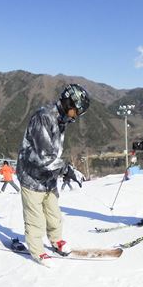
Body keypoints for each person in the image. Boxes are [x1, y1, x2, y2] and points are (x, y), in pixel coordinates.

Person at [16, 84, 88, 266]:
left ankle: (56, 241)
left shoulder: (61, 120)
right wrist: (67, 170)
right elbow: (45, 157)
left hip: (48, 177)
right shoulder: (43, 117)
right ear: (68, 102)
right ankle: (37, 250)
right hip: (31, 176)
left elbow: (53, 154)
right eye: (76, 111)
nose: (76, 116)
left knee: (54, 215)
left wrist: (62, 170)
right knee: (36, 219)